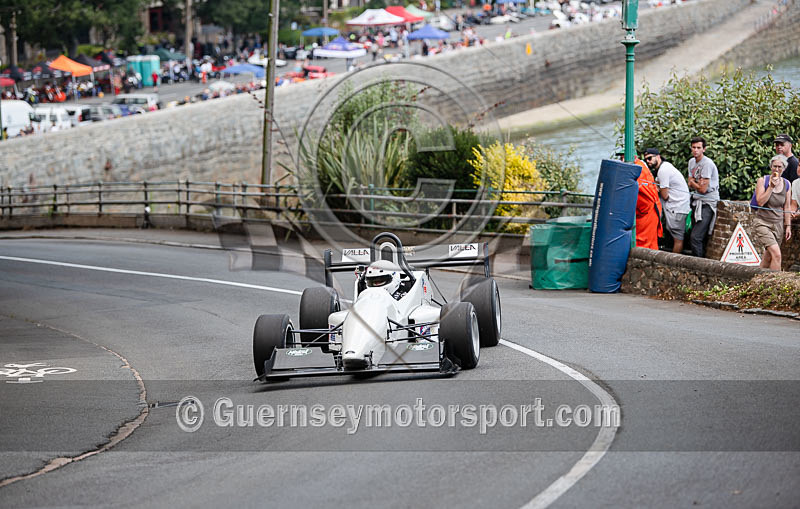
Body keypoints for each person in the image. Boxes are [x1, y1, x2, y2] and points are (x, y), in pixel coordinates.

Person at [645, 148, 690, 254]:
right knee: (676, 237)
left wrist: (658, 189)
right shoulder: (665, 166)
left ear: (658, 157)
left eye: (650, 158)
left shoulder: (663, 171)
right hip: (678, 206)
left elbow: (664, 196)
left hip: (677, 208)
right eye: (646, 159)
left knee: (678, 240)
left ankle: (673, 264)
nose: (648, 161)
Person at [752, 155, 792, 270]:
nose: (777, 169)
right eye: (774, 166)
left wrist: (788, 226)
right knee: (777, 254)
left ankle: (756, 281)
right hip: (763, 222)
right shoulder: (762, 180)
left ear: (783, 169)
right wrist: (770, 187)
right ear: (771, 167)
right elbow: (760, 202)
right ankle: (776, 285)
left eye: (780, 167)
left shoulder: (787, 184)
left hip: (778, 224)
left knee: (768, 256)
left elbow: (787, 206)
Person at [687, 136, 719, 257]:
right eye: (694, 147)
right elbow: (692, 184)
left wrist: (692, 182)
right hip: (696, 202)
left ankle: (698, 265)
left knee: (696, 237)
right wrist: (695, 183)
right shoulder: (691, 162)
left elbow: (703, 189)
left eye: (698, 148)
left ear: (704, 149)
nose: (696, 150)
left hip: (708, 203)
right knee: (696, 236)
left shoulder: (707, 164)